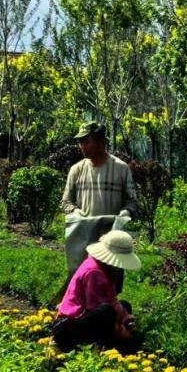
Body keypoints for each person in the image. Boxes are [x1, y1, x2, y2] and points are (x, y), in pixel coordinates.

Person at [60, 121, 138, 297]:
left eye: (86, 141)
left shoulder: (121, 168)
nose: (82, 146)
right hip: (84, 238)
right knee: (83, 280)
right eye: (80, 142)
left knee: (109, 284)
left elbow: (132, 201)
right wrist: (74, 211)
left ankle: (110, 310)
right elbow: (66, 201)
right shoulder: (76, 170)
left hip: (111, 238)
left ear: (101, 142)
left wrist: (126, 212)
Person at [53, 230, 142, 353]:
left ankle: (114, 343)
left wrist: (124, 316)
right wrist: (120, 330)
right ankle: (109, 348)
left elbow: (112, 299)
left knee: (124, 305)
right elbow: (97, 309)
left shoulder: (107, 269)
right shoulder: (94, 272)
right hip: (67, 329)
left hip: (85, 318)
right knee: (106, 312)